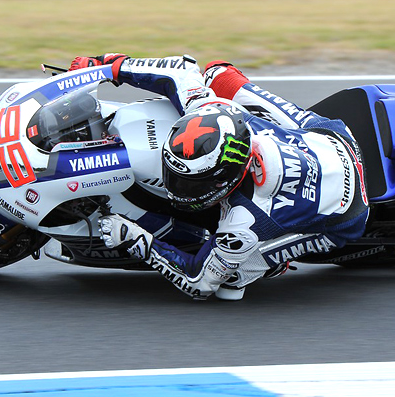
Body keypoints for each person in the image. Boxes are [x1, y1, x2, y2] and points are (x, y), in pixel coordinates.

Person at [68, 53, 369, 300]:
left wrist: (139, 241)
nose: (177, 188)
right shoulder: (213, 111)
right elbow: (181, 72)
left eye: (189, 183)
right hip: (329, 137)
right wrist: (107, 66)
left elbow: (198, 282)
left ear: (225, 180)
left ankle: (273, 263)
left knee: (229, 283)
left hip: (346, 212)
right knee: (218, 73)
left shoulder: (244, 223)